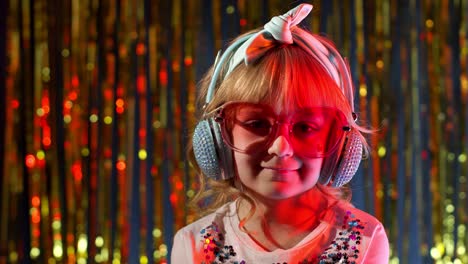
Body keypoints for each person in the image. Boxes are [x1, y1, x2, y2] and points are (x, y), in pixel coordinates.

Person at [171, 3, 389, 263]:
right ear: (218, 137)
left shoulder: (365, 240)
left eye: (305, 127)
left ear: (337, 142)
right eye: (257, 124)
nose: (281, 147)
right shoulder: (194, 244)